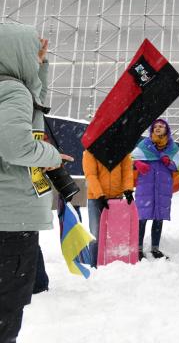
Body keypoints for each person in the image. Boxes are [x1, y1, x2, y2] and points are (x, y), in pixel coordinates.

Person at [0, 24, 73, 343]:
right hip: (11, 218)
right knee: (7, 310)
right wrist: (51, 155)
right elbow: (15, 145)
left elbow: (33, 105)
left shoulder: (8, 88)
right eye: (31, 54)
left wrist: (40, 65)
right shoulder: (12, 90)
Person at [131, 119, 179, 261]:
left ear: (167, 130)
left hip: (163, 187)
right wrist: (138, 164)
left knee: (159, 218)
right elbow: (131, 160)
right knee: (142, 218)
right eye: (156, 126)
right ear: (152, 129)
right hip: (145, 187)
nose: (158, 128)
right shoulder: (144, 145)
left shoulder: (172, 147)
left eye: (162, 126)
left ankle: (155, 248)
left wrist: (169, 162)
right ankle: (138, 249)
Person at [82, 150, 134, 265]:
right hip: (96, 198)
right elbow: (90, 175)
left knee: (115, 233)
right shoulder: (90, 152)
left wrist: (128, 189)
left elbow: (127, 171)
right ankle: (94, 264)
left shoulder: (122, 150)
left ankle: (113, 263)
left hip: (116, 198)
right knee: (96, 233)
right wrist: (99, 195)